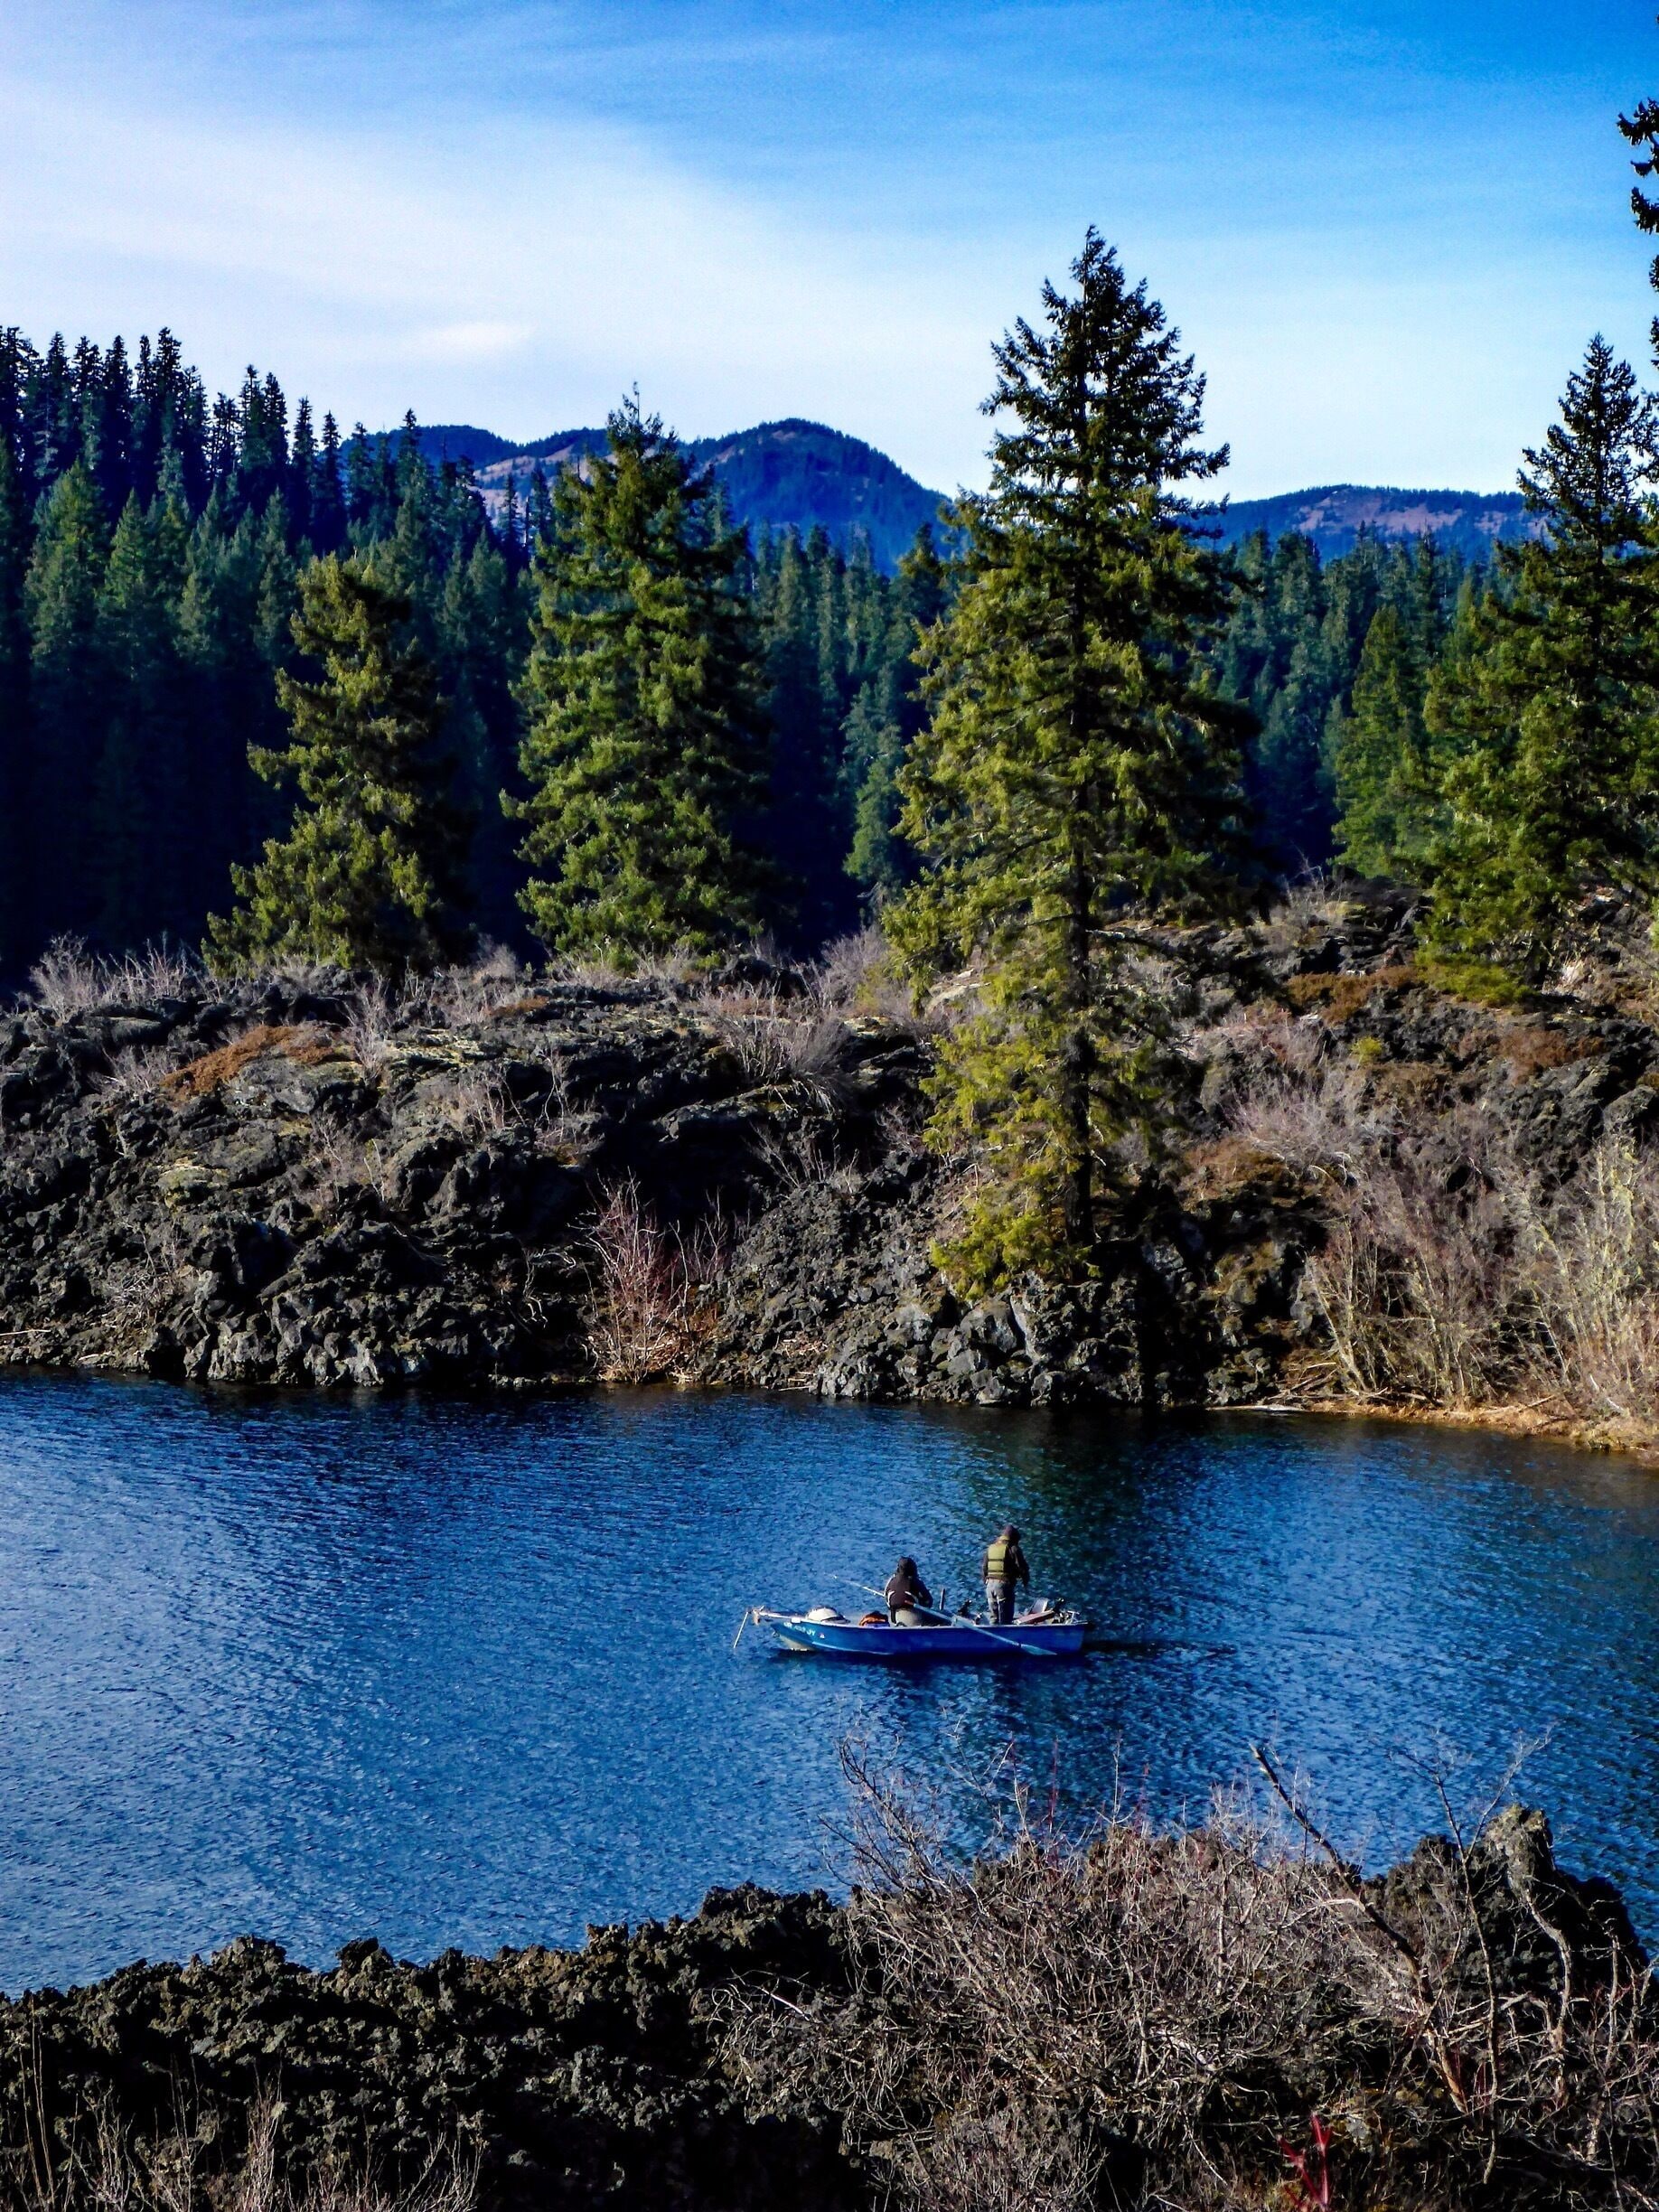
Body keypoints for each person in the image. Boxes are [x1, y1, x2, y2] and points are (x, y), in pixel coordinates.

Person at [980, 1525, 1030, 1626]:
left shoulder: (991, 1548)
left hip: (989, 1586)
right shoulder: (1013, 1548)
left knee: (994, 1618)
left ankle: (992, 1638)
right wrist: (1025, 1581)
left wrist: (985, 1581)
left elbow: (984, 1568)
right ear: (1014, 1538)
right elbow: (1023, 1567)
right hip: (1003, 1587)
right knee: (1006, 1620)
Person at [884, 1556, 933, 1626]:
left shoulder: (891, 1581)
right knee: (941, 1617)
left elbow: (886, 1599)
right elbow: (929, 1601)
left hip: (894, 1617)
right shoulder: (915, 1581)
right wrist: (922, 1603)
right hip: (914, 1617)